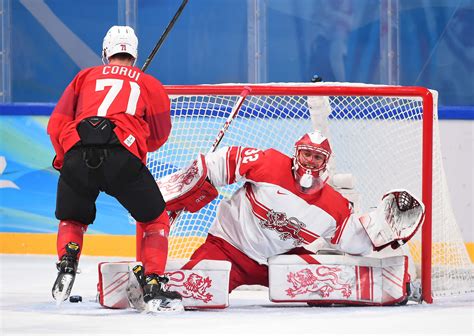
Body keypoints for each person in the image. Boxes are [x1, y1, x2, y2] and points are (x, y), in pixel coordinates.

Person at [162, 130, 424, 294]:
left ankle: (396, 284)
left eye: (317, 157)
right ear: (296, 153)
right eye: (306, 154)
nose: (310, 161)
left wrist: (378, 227)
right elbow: (222, 162)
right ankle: (151, 284)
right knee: (191, 291)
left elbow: (353, 241)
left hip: (277, 264)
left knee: (331, 285)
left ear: (326, 162)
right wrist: (184, 190)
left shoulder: (335, 204)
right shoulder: (269, 163)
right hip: (226, 249)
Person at [47, 25, 183, 312]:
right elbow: (159, 136)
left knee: (72, 218)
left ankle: (68, 259)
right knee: (155, 219)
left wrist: (65, 159)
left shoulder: (84, 77)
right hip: (122, 155)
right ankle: (154, 282)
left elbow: (56, 125)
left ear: (106, 51)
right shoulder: (149, 83)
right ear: (134, 53)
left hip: (77, 151)